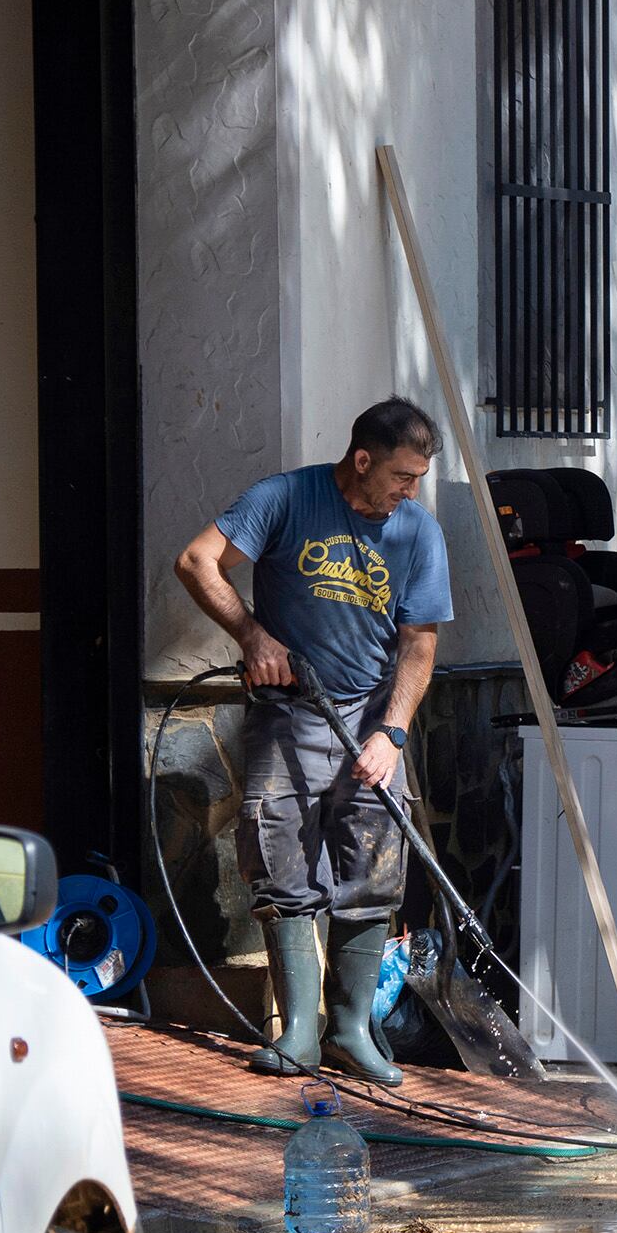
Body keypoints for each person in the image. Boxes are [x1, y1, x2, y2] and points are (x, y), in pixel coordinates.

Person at [174, 398, 455, 1085]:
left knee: (375, 867)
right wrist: (251, 635)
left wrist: (392, 733)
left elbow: (420, 644)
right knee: (281, 861)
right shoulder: (283, 498)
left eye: (418, 478)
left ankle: (350, 1030)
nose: (410, 491)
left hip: (371, 718)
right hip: (288, 713)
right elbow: (197, 560)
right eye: (401, 475)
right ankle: (299, 1032)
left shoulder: (417, 531)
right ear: (361, 460)